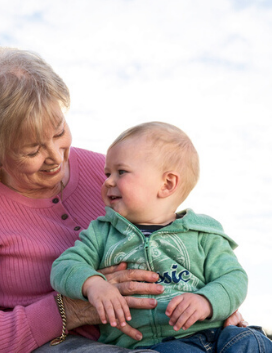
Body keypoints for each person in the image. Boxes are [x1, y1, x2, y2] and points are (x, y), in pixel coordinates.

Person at [0, 46, 247, 353]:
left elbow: (181, 245)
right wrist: (68, 309)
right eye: (32, 150)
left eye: (57, 131)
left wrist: (212, 302)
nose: (55, 157)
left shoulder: (111, 174)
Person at [51, 122, 272, 352]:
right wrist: (93, 284)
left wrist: (207, 300)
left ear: (167, 184)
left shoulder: (202, 233)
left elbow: (233, 277)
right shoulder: (102, 232)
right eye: (108, 173)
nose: (107, 181)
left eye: (121, 172)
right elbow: (64, 266)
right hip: (158, 344)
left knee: (253, 341)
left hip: (218, 333)